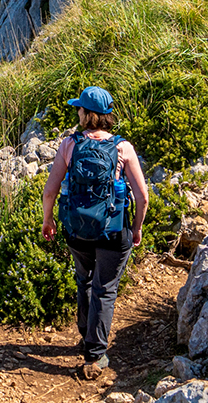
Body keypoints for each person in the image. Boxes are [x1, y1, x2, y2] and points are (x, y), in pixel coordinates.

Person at [41, 85, 149, 379]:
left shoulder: (69, 145)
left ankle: (85, 336)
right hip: (113, 231)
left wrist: (48, 221)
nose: (77, 112)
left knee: (84, 280)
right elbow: (143, 197)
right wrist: (136, 228)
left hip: (77, 231)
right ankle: (95, 355)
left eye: (79, 109)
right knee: (105, 289)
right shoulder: (122, 148)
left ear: (87, 115)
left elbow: (50, 192)